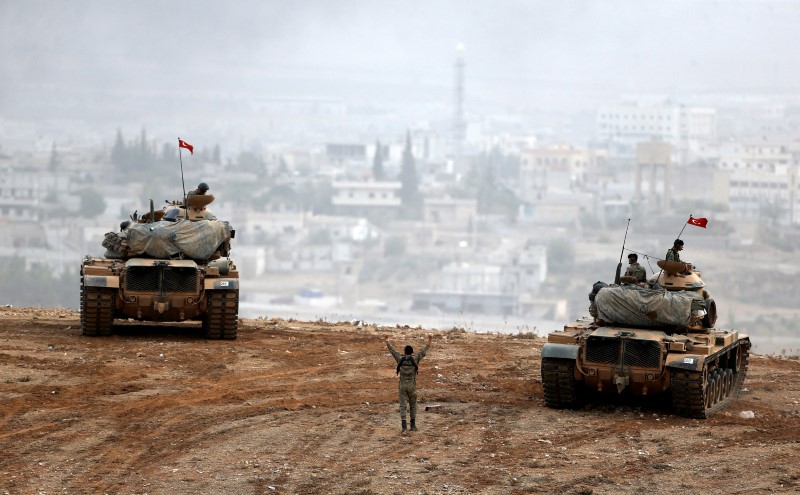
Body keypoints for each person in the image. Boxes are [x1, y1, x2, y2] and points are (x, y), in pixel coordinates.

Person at [385, 334, 432, 434]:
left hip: (402, 386)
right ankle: (413, 425)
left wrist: (387, 340)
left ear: (404, 352)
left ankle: (404, 428)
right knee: (413, 405)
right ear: (412, 352)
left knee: (402, 405)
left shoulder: (400, 359)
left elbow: (393, 351)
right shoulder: (415, 360)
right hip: (412, 386)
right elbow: (423, 351)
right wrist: (429, 340)